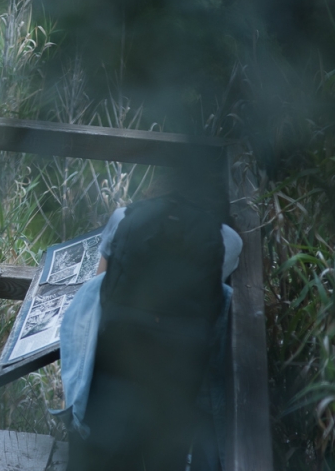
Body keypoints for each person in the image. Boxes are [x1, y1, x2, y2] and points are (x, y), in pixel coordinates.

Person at [57, 169, 242, 471]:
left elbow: (97, 291)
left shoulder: (123, 217)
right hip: (178, 376)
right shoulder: (227, 239)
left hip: (117, 365)